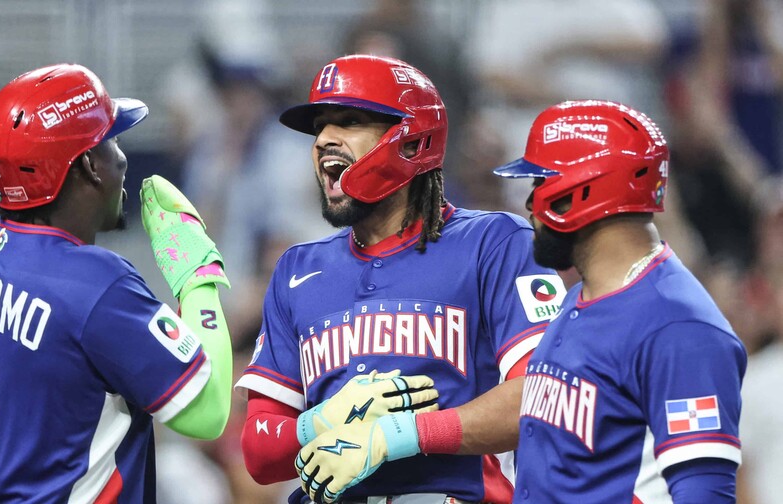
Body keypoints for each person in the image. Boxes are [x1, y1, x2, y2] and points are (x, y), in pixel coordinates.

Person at [235, 54, 567, 504]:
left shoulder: (494, 242)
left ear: (412, 142)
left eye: (349, 121)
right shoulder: (297, 269)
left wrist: (398, 434)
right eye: (319, 128)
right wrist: (321, 421)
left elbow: (539, 397)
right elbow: (259, 452)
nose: (324, 141)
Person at [0, 63, 233, 503]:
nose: (121, 157)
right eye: (111, 141)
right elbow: (208, 412)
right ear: (88, 165)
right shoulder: (99, 282)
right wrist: (198, 274)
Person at [491, 100, 746, 502]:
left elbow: (705, 493)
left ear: (580, 190)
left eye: (540, 182)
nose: (529, 204)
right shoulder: (577, 300)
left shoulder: (680, 328)